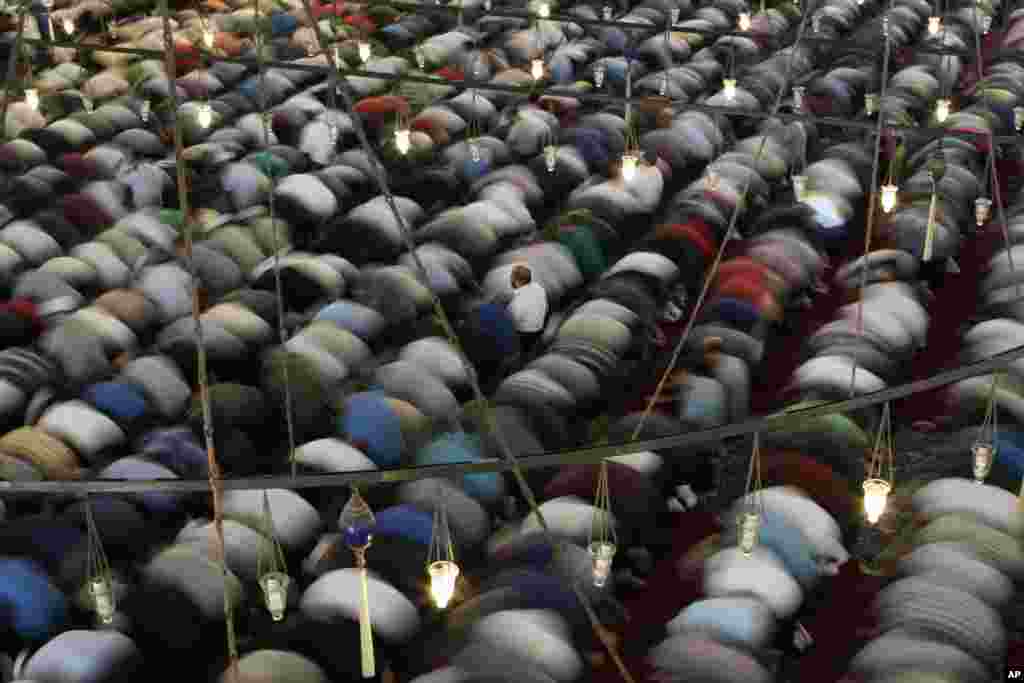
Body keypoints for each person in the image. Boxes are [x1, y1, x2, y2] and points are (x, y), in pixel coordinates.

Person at [506, 264, 548, 357]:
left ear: (517, 281)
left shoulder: (517, 302)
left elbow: (511, 322)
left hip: (525, 335)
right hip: (539, 329)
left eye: (512, 278)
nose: (510, 280)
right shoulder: (539, 288)